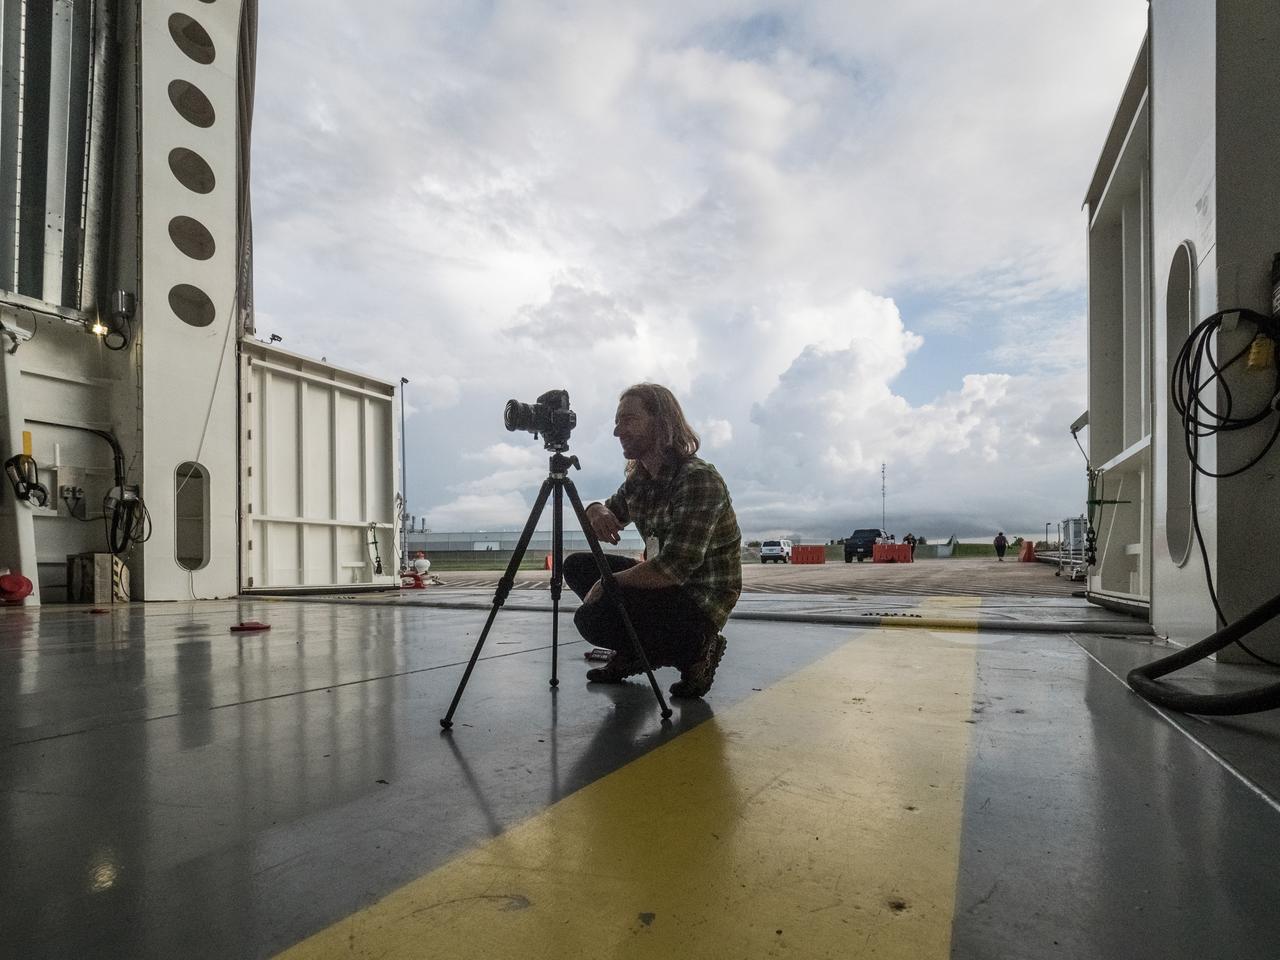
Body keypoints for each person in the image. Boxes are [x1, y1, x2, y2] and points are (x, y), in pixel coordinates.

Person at [565, 383, 742, 698]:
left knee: (592, 619)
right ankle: (637, 652)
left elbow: (673, 568)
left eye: (628, 419)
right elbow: (609, 511)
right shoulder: (640, 481)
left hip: (697, 600)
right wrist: (595, 510)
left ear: (661, 422)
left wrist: (610, 582)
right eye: (617, 422)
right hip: (666, 586)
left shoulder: (697, 479)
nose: (618, 431)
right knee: (577, 566)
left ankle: (699, 649)